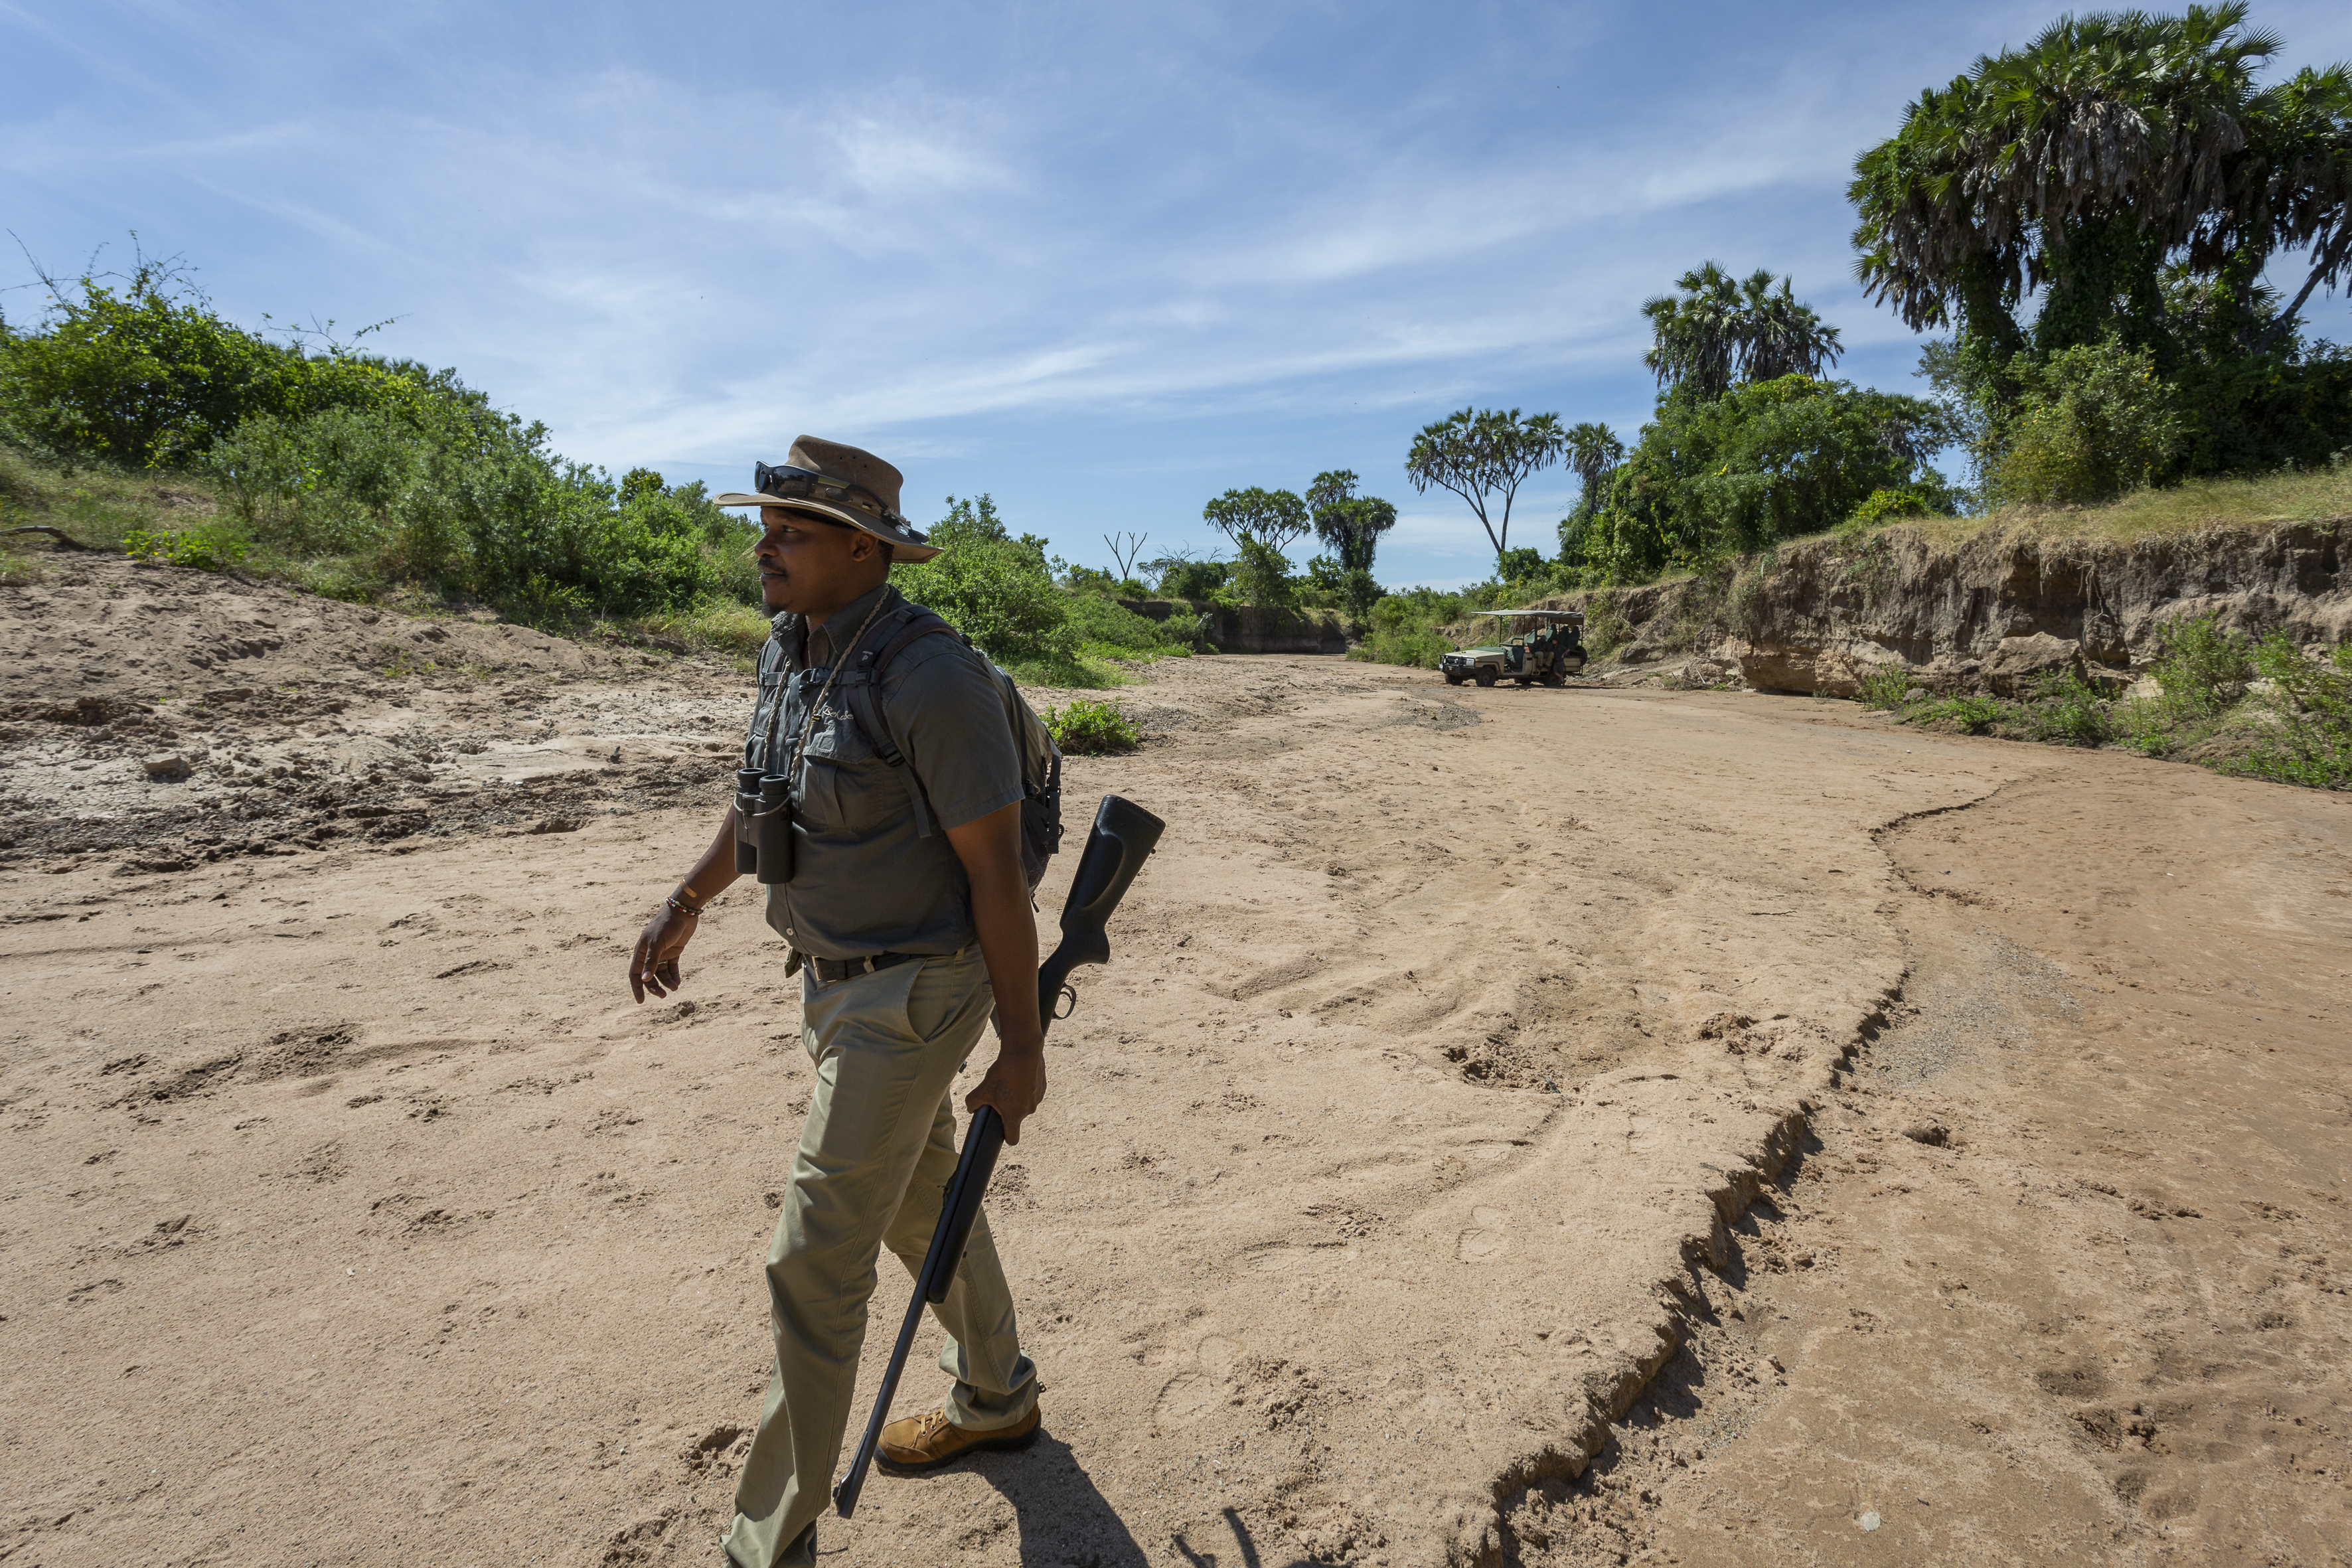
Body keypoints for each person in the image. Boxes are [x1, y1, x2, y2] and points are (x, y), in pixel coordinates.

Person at [626, 437, 1045, 1568]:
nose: (763, 546)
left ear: (863, 547)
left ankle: (768, 1538)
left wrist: (1024, 1045)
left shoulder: (932, 678)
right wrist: (689, 897)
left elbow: (997, 875)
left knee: (813, 1260)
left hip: (914, 993)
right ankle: (998, 1391)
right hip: (834, 982)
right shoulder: (797, 647)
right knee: (916, 1198)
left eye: (788, 530)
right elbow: (760, 796)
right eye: (763, 526)